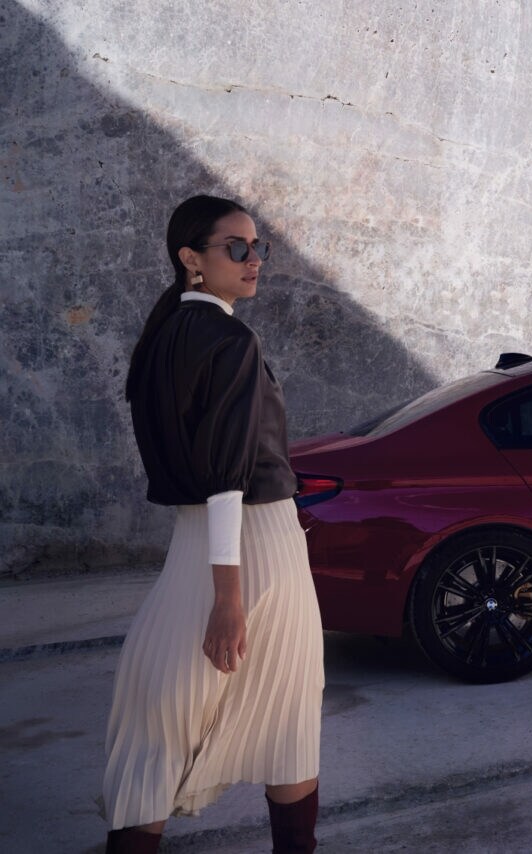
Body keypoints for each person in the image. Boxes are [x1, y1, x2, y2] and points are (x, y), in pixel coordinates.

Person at [103, 194, 325, 854]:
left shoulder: (160, 339)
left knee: (153, 732)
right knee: (286, 721)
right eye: (237, 247)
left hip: (191, 544)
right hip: (256, 547)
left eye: (259, 247)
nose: (254, 259)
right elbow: (227, 479)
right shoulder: (230, 339)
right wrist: (229, 600)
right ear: (191, 259)